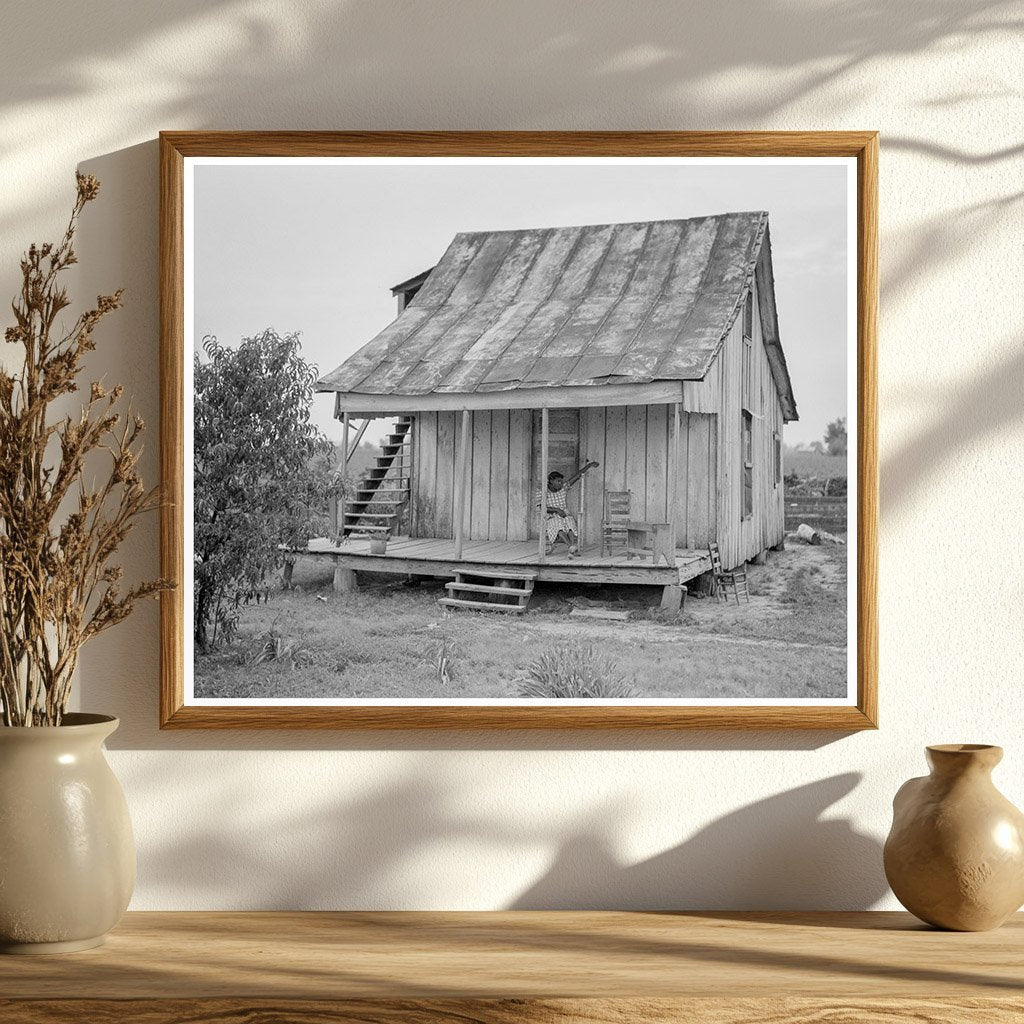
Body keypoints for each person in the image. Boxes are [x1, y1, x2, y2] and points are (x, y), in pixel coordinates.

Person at [537, 460, 599, 556]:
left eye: (561, 481)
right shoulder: (543, 491)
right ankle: (571, 547)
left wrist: (589, 466)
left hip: (564, 513)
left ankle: (571, 547)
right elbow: (541, 507)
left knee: (570, 524)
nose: (561, 484)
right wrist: (556, 510)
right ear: (551, 481)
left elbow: (578, 475)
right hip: (550, 515)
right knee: (558, 526)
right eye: (558, 481)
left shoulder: (563, 488)